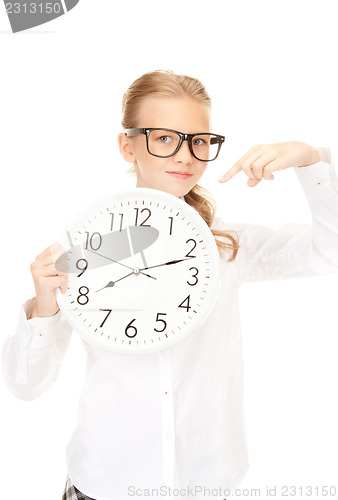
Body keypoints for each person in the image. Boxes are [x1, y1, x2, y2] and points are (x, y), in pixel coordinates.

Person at [2, 70, 338, 500]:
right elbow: (24, 385)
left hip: (205, 481)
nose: (185, 156)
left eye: (198, 140)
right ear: (128, 145)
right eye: (164, 138)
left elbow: (328, 250)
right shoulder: (82, 248)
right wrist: (44, 308)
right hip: (105, 484)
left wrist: (311, 159)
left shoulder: (226, 247)